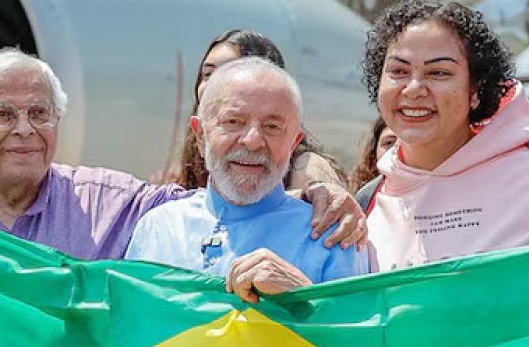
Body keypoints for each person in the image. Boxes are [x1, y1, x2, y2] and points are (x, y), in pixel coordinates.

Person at [0, 48, 366, 332]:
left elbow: (234, 187)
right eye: (4, 114)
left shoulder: (121, 208)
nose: (25, 129)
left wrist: (319, 183)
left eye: (40, 113)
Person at [359, 0, 529, 271]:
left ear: (475, 91)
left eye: (439, 73)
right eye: (398, 71)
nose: (413, 89)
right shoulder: (365, 207)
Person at [127, 58, 368, 303]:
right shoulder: (158, 228)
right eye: (233, 122)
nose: (252, 140)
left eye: (272, 126)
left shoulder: (334, 239)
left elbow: (363, 336)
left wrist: (304, 300)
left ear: (293, 143)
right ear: (200, 136)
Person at [172, 29, 347, 191]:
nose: (215, 83)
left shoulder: (306, 169)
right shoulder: (198, 159)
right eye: (208, 74)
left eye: (230, 72)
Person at [350, 117, 396, 192]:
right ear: (374, 154)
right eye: (389, 143)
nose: (397, 149)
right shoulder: (362, 199)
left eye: (408, 143)